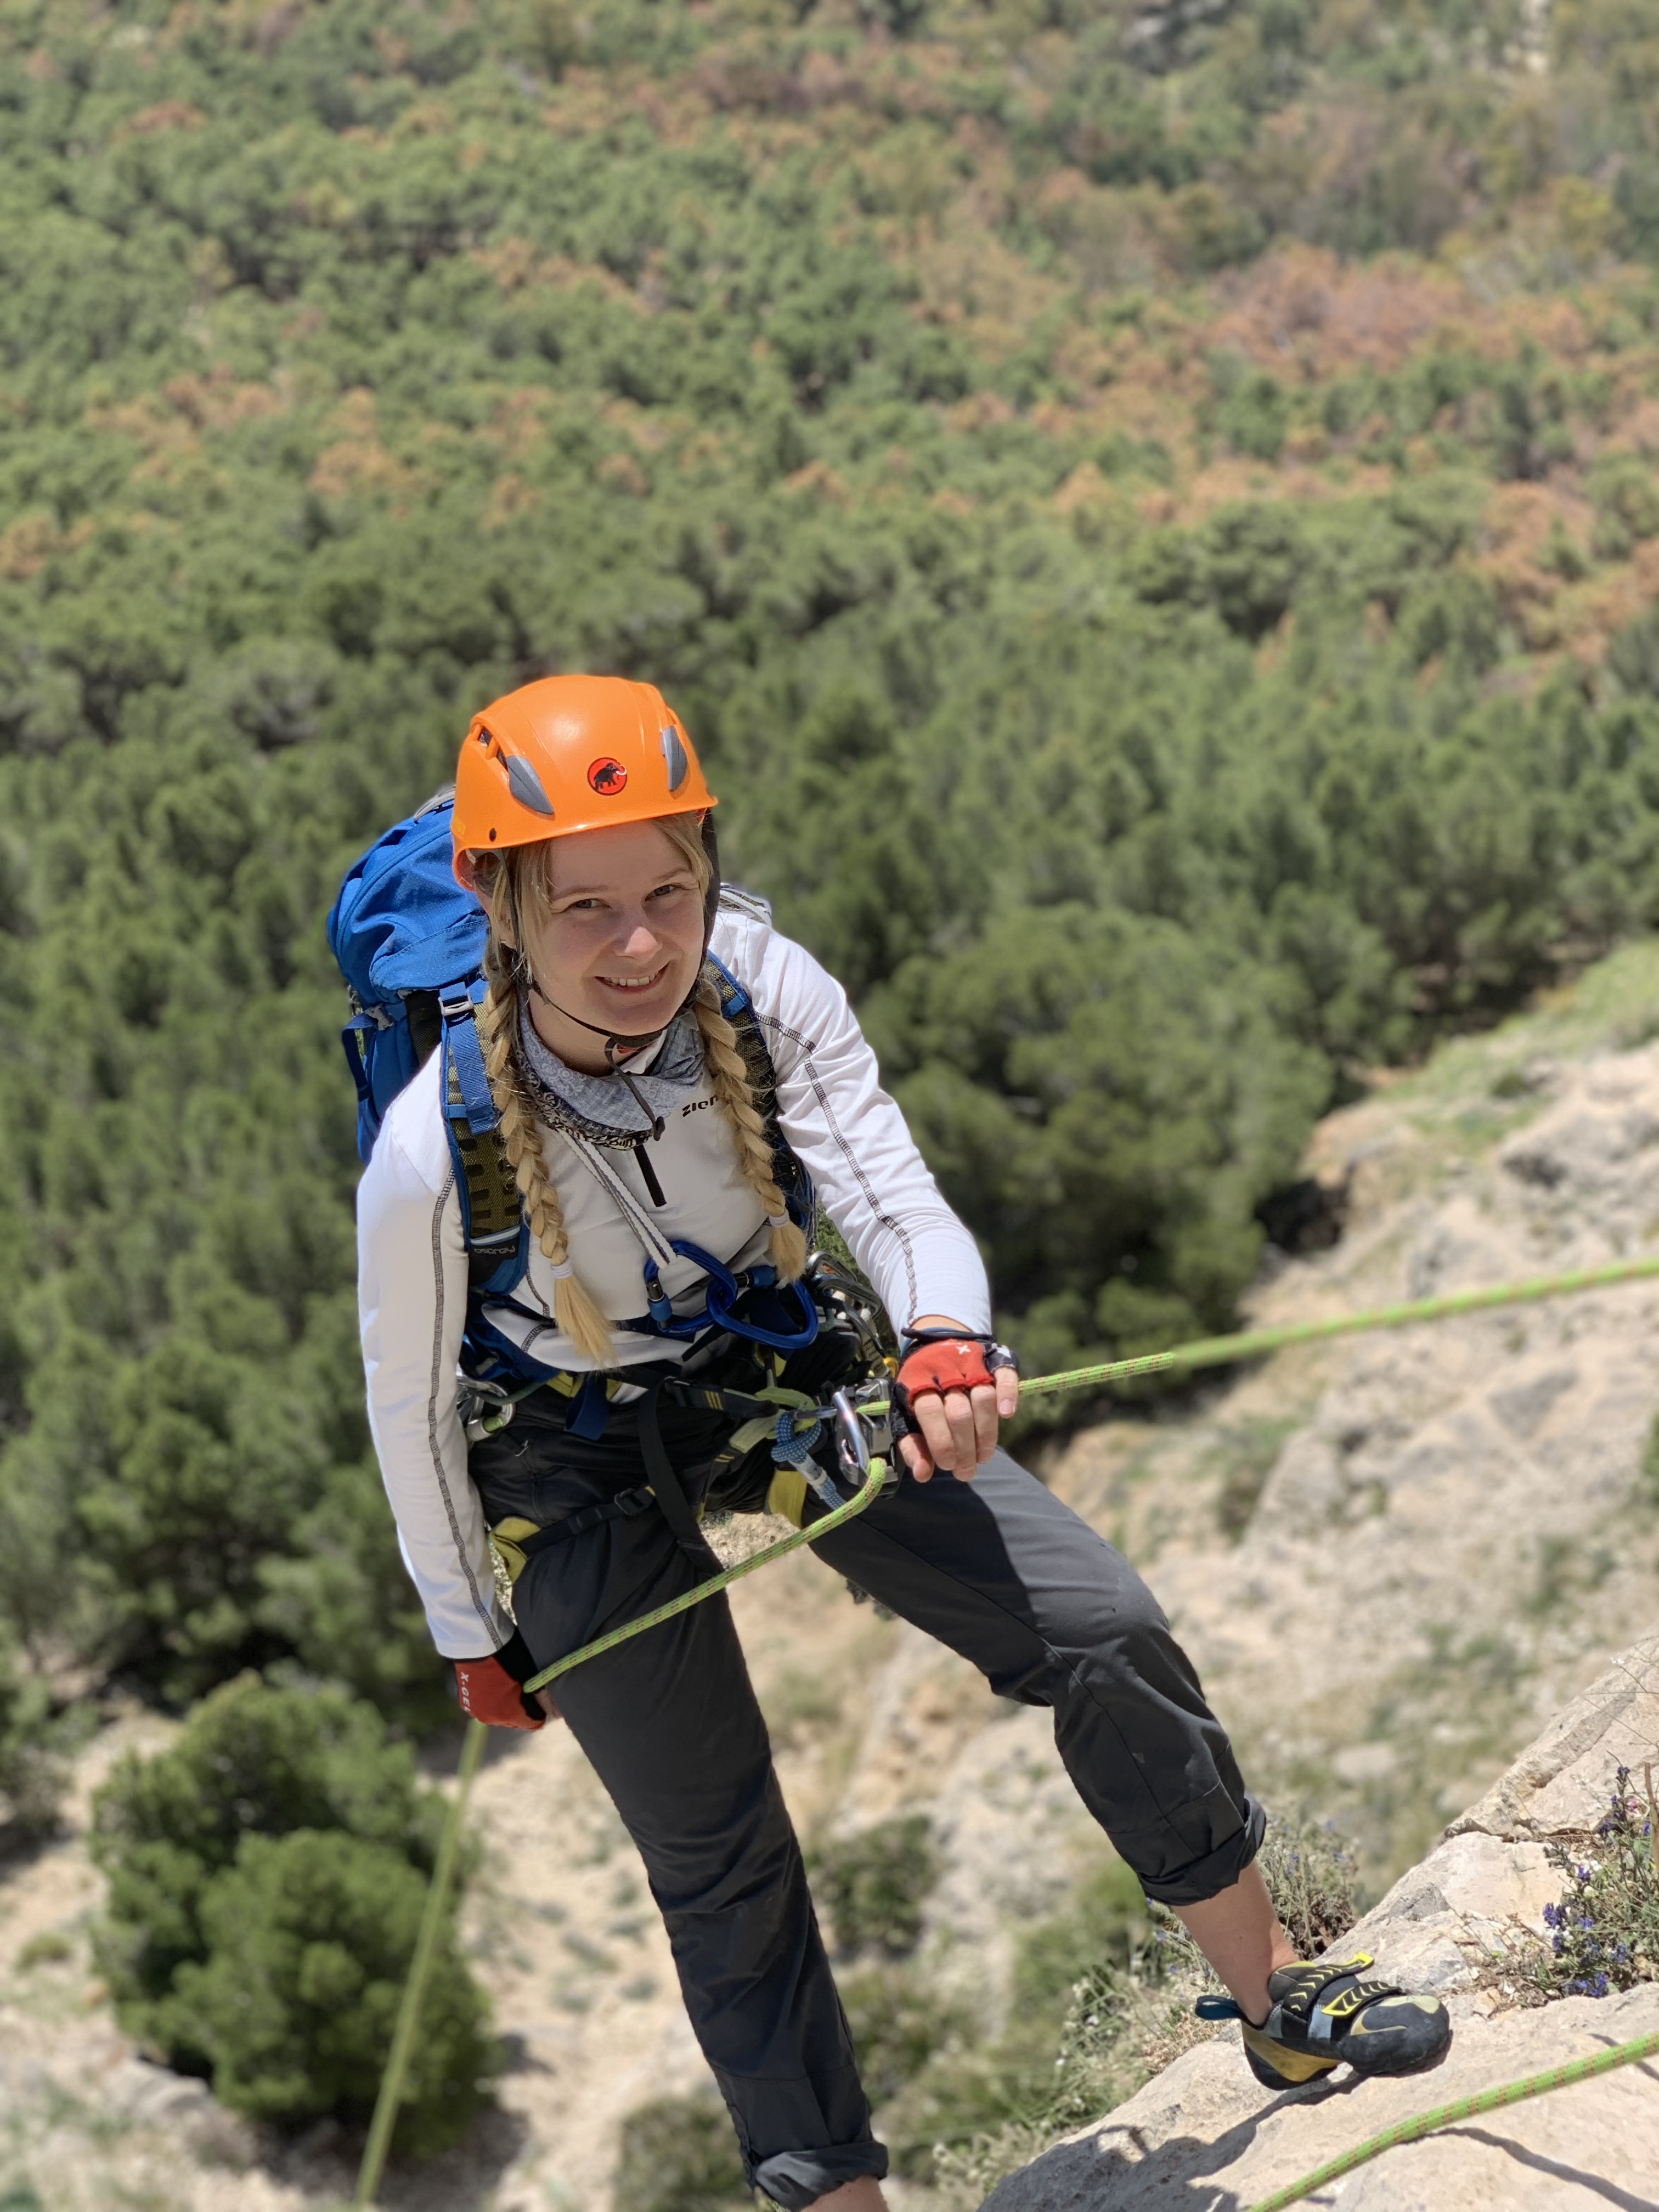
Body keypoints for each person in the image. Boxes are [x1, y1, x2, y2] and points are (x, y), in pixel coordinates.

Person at [357, 674, 1450, 2211]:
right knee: (721, 1854)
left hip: (773, 1369)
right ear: (497, 901)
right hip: (566, 1457)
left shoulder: (761, 982)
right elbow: (405, 1408)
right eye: (587, 907)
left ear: (709, 870)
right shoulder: (428, 1144)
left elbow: (886, 1188)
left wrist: (942, 1334)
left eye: (669, 891)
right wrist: (470, 1629)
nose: (641, 945)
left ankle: (1277, 2006)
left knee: (1100, 1626)